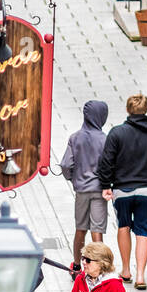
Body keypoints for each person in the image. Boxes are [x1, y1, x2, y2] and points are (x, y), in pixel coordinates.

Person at [97, 94, 147, 288]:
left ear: (129, 110)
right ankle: (140, 276)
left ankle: (126, 269)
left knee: (124, 227)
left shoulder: (117, 133)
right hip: (146, 191)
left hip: (122, 190)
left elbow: (106, 162)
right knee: (143, 231)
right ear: (145, 110)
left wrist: (106, 185)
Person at [59, 100, 109, 272]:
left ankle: (77, 265)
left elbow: (66, 164)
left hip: (81, 190)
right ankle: (98, 267)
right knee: (97, 230)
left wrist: (73, 178)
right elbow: (109, 164)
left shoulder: (75, 138)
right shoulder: (104, 139)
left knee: (80, 228)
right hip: (99, 189)